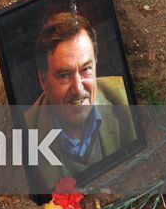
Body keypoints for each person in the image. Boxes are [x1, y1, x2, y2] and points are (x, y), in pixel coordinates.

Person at [24, 11, 135, 183]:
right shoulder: (26, 135)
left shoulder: (123, 97)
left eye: (86, 69)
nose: (78, 88)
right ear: (43, 80)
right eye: (64, 75)